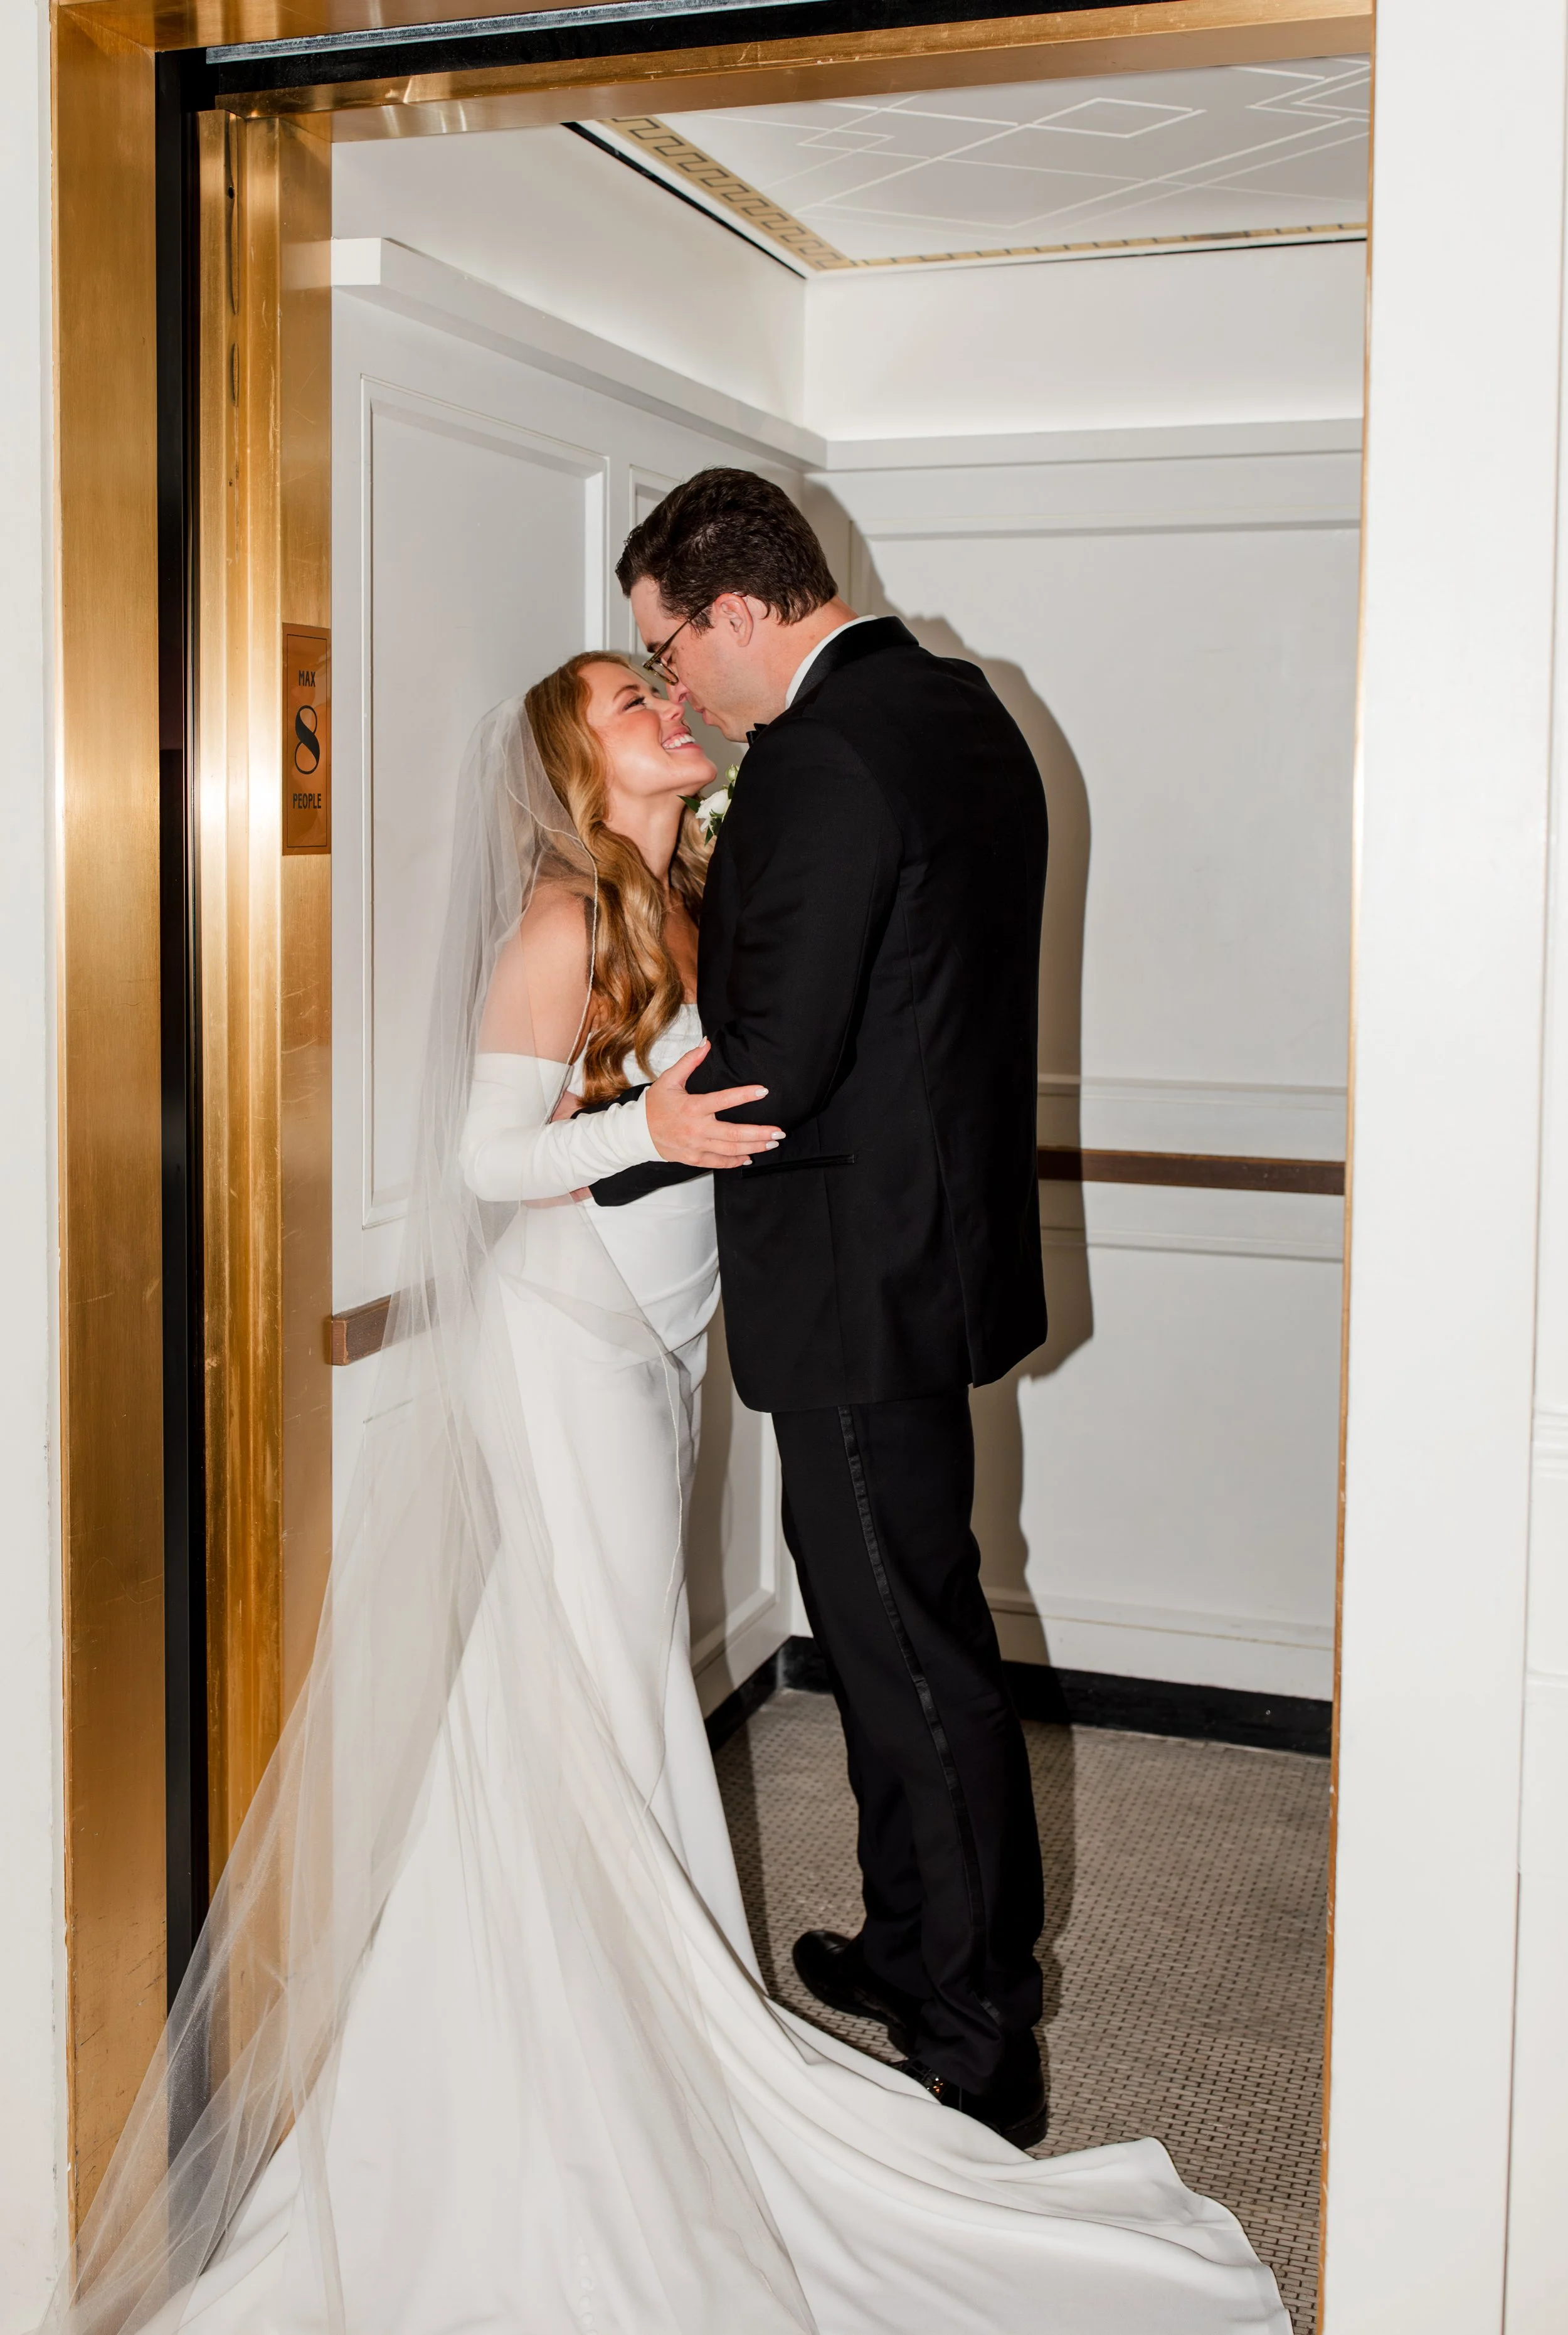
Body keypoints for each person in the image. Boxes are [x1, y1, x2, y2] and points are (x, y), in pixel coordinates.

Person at [41, 650, 1286, 2334]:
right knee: (596, 1690)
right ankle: (577, 2058)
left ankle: (626, 2004)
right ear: (578, 762)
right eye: (629, 700)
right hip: (562, 1351)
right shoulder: (560, 922)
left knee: (602, 1695)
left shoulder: (689, 895)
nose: (661, 708)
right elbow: (489, 1164)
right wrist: (644, 1123)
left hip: (655, 1348)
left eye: (655, 683)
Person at [598, 467, 1051, 2144]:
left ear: (735, 607)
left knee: (907, 1652)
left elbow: (769, 1060)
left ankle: (976, 2031)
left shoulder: (814, 760)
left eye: (669, 649)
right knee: (898, 1622)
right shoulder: (960, 705)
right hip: (926, 1248)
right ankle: (914, 1939)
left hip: (856, 1278)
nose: (673, 692)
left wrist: (587, 1155)